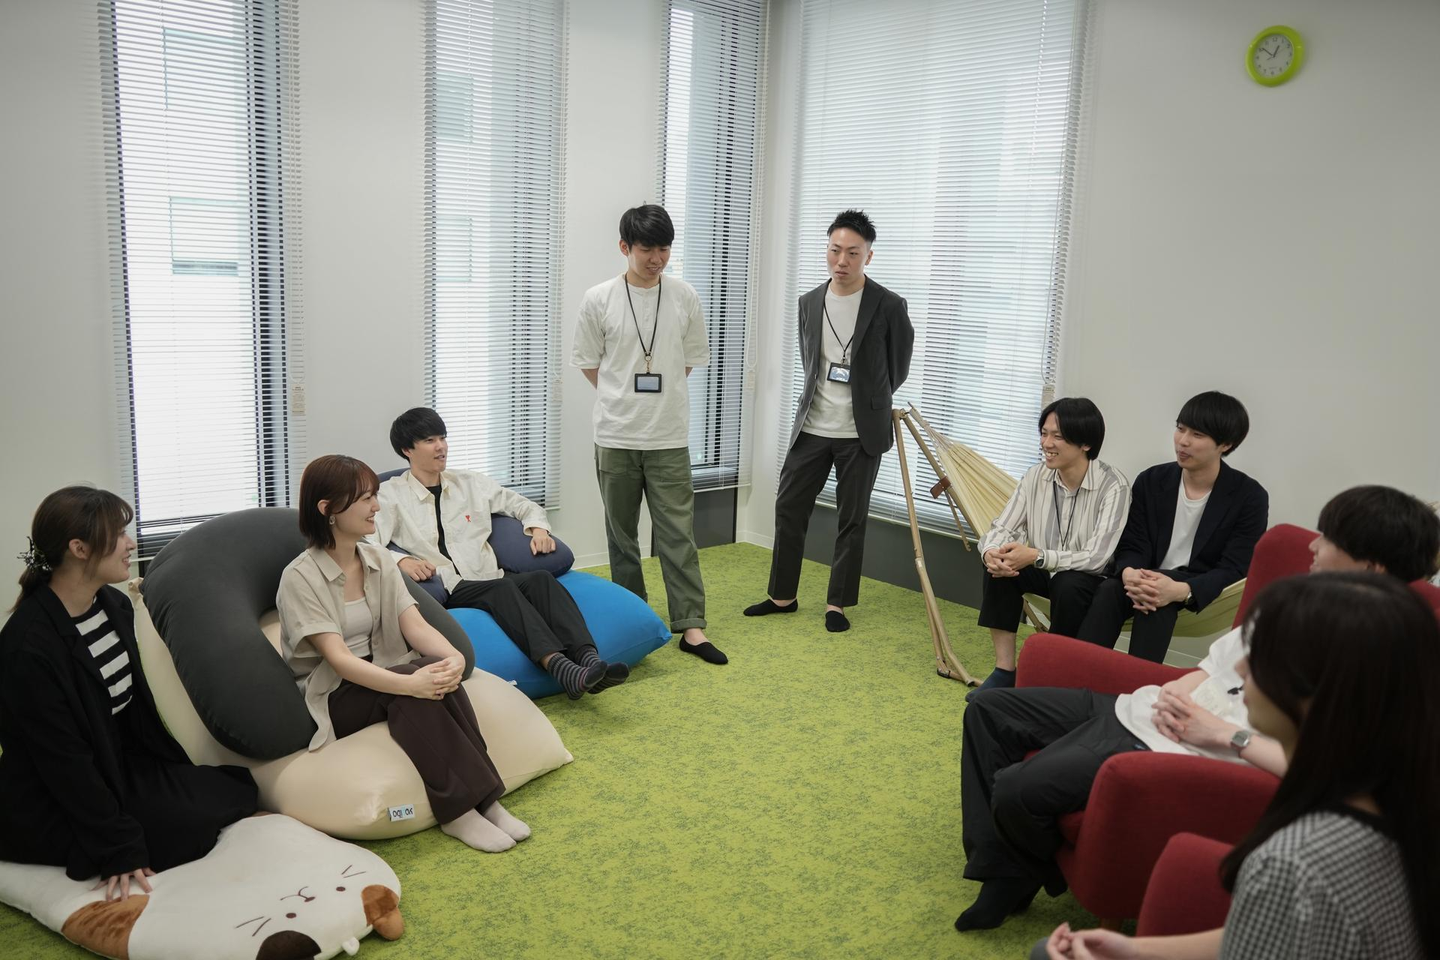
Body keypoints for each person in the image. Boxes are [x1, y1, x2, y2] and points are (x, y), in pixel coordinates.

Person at [955, 485, 1440, 933]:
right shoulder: (1293, 601)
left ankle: (1011, 874)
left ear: (1371, 566)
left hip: (1184, 748)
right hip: (1152, 709)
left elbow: (1337, 769)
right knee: (989, 709)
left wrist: (1224, 734)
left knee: (1016, 790)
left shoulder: (1384, 655)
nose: (1313, 546)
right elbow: (1214, 668)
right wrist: (1174, 692)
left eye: (1328, 538)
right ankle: (1006, 870)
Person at [1033, 571, 1439, 959]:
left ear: (1315, 690)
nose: (1240, 669)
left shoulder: (1292, 864)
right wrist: (1138, 951)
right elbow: (1256, 934)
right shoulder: (1402, 813)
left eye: (1263, 654)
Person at [0, 487, 257, 900]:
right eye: (119, 534)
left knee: (231, 790)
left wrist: (167, 773)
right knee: (181, 834)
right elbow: (62, 760)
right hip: (52, 789)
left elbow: (134, 714)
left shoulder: (111, 605)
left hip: (115, 762)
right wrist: (117, 846)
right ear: (79, 549)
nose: (131, 543)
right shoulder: (28, 648)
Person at [277, 455, 530, 853]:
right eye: (365, 499)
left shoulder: (378, 558)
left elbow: (414, 624)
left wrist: (453, 659)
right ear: (327, 509)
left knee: (435, 671)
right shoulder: (300, 577)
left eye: (374, 496)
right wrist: (410, 684)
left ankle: (487, 801)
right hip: (337, 692)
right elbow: (339, 660)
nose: (376, 507)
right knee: (414, 686)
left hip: (385, 669)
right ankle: (458, 812)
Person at [375, 407, 625, 698]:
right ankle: (559, 667)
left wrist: (538, 529)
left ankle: (589, 660)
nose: (441, 447)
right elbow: (366, 542)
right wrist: (401, 560)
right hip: (450, 585)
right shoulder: (390, 495)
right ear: (407, 450)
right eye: (430, 441)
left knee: (541, 579)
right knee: (502, 589)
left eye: (443, 438)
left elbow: (523, 505)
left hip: (489, 573)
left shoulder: (470, 483)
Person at [743, 209, 914, 633]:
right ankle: (782, 596)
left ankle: (836, 604)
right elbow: (810, 364)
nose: (842, 261)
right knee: (788, 506)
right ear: (827, 250)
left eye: (853, 253)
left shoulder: (890, 305)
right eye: (835, 250)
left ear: (868, 257)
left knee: (851, 519)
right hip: (812, 426)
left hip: (861, 433)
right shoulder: (809, 302)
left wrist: (869, 401)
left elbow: (898, 368)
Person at [572, 203, 725, 665]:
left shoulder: (684, 296)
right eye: (647, 249)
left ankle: (691, 626)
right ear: (625, 247)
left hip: (669, 437)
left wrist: (655, 398)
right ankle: (631, 619)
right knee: (621, 536)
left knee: (678, 534)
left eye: (664, 249)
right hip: (615, 436)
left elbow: (689, 361)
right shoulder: (599, 298)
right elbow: (589, 363)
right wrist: (622, 396)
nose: (657, 258)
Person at [1076, 391, 1267, 663]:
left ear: (1225, 444)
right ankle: (1077, 673)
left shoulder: (1249, 496)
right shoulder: (1151, 480)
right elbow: (1133, 543)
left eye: (1197, 435)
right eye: (1180, 428)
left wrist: (1180, 590)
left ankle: (1135, 684)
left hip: (1194, 585)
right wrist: (1129, 572)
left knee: (1157, 602)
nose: (1183, 441)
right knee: (1110, 590)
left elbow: (1235, 568)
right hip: (1144, 577)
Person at [970, 398, 1130, 691]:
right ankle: (1004, 671)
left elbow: (1096, 558)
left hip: (1090, 581)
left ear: (1085, 443)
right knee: (1001, 564)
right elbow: (1002, 527)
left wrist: (1037, 556)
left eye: (1058, 436)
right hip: (1045, 569)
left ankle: (1052, 675)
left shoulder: (1113, 485)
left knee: (1068, 582)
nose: (1046, 443)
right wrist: (991, 552)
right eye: (1044, 433)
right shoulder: (1035, 476)